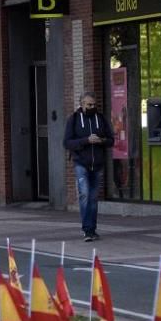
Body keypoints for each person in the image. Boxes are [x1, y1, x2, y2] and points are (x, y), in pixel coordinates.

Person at [64, 92, 114, 242]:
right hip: (81, 163)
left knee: (93, 197)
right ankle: (87, 229)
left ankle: (92, 229)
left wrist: (101, 141)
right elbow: (67, 142)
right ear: (82, 104)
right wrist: (86, 140)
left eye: (94, 104)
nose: (92, 107)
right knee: (84, 194)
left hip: (97, 164)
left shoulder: (101, 119)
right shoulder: (74, 119)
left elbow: (111, 140)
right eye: (89, 105)